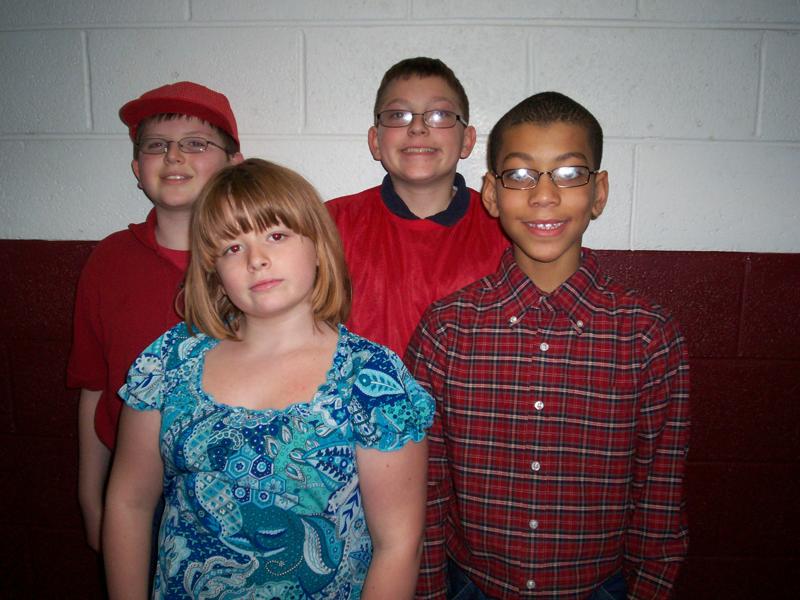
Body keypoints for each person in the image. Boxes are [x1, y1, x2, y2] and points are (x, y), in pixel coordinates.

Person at [102, 158, 434, 599]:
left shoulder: (371, 380)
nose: (256, 260)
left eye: (276, 235)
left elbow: (399, 545)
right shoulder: (169, 362)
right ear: (212, 268)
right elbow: (128, 503)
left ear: (318, 245)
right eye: (232, 247)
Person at [407, 92, 690, 599]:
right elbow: (424, 489)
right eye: (519, 175)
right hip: (472, 585)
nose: (543, 195)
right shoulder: (447, 329)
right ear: (491, 194)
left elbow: (660, 498)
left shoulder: (647, 335)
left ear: (599, 193)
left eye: (568, 173)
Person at [68, 81, 245, 552]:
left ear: (234, 164)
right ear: (136, 168)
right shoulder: (109, 261)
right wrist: (91, 501)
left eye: (196, 144)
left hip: (235, 493)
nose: (174, 156)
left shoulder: (258, 266)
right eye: (156, 146)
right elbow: (94, 389)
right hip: (134, 499)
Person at [326, 57, 508, 358]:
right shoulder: (328, 225)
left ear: (467, 140)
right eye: (399, 115)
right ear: (375, 141)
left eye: (440, 114)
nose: (418, 127)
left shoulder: (505, 228)